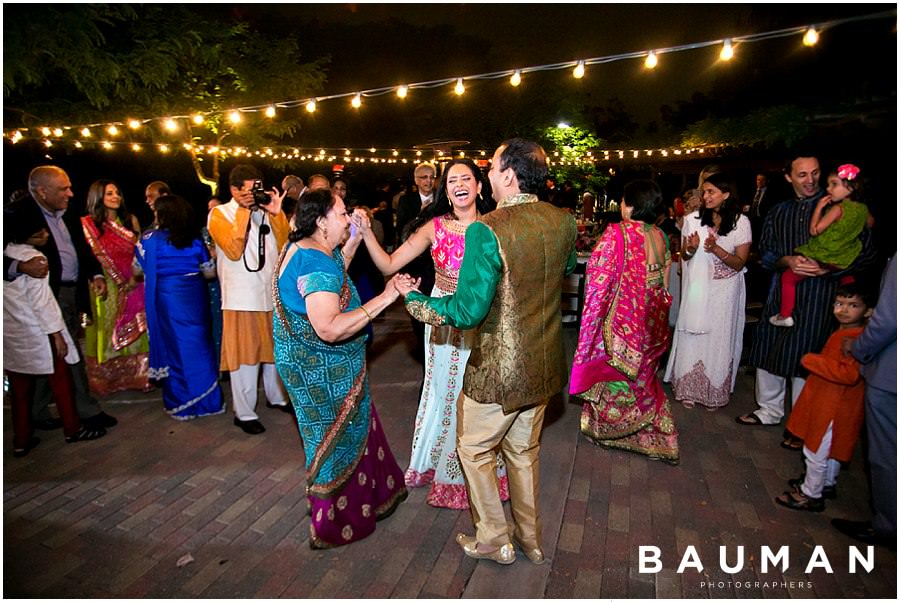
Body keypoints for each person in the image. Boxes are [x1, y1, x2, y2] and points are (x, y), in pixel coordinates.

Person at [398, 138, 577, 566]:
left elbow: (465, 310)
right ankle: (530, 541)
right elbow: (565, 269)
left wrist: (416, 302)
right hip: (544, 365)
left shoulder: (487, 229)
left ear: (509, 175)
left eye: (492, 167)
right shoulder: (562, 221)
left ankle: (494, 539)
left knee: (474, 450)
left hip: (498, 369)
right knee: (523, 452)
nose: (489, 174)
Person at [358, 158, 506, 510]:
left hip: (482, 317)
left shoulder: (494, 227)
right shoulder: (434, 227)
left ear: (479, 185)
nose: (459, 184)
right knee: (443, 389)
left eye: (466, 178)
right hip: (440, 316)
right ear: (445, 189)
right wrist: (365, 233)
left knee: (478, 393)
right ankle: (440, 465)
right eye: (452, 179)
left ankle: (479, 466)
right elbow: (389, 265)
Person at [272, 187, 409, 548]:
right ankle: (335, 522)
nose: (348, 218)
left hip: (315, 363)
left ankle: (372, 498)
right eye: (342, 214)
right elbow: (330, 327)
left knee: (353, 426)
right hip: (319, 369)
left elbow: (335, 272)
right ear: (320, 221)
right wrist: (387, 296)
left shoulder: (306, 247)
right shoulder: (314, 262)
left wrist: (353, 240)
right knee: (335, 438)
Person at [738, 154, 877, 427]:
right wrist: (787, 260)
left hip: (822, 296)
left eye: (815, 173)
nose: (811, 180)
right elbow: (765, 252)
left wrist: (829, 268)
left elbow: (868, 254)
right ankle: (768, 411)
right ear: (789, 177)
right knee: (769, 347)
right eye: (802, 175)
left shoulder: (844, 209)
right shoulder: (779, 211)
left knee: (809, 353)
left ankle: (803, 422)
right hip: (782, 291)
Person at [570, 180, 679, 463]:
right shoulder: (660, 235)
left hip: (625, 317)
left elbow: (598, 279)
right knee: (645, 373)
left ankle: (612, 430)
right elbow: (664, 284)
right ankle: (655, 435)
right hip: (653, 316)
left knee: (617, 373)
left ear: (630, 205)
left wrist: (596, 316)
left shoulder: (617, 234)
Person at [5, 167, 117, 432]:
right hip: (39, 296)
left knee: (54, 352)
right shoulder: (15, 213)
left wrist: (95, 274)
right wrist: (20, 267)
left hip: (71, 291)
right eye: (63, 188)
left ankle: (37, 411)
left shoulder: (67, 212)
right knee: (67, 350)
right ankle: (84, 413)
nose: (70, 193)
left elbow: (80, 248)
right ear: (42, 191)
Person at [207, 164, 291, 435]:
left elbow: (288, 243)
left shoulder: (266, 212)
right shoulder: (219, 214)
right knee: (245, 357)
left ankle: (276, 396)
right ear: (234, 189)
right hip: (241, 297)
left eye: (259, 187)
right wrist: (244, 211)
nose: (256, 193)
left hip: (270, 293)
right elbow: (232, 250)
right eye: (250, 188)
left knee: (274, 352)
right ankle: (243, 413)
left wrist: (276, 213)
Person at [774, 283, 872, 512]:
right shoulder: (851, 335)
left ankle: (810, 493)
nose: (844, 310)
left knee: (815, 450)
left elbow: (848, 374)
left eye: (853, 305)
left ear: (868, 311)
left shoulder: (854, 340)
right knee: (831, 448)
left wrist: (811, 360)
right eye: (839, 304)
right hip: (837, 403)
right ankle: (826, 483)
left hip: (833, 404)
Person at [664, 173, 751, 409]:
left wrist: (716, 250)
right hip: (699, 287)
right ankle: (688, 389)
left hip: (725, 289)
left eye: (711, 191)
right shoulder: (693, 219)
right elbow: (685, 257)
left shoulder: (741, 223)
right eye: (704, 192)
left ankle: (714, 391)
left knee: (719, 338)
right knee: (694, 335)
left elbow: (739, 263)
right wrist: (690, 249)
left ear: (726, 194)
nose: (706, 196)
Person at [136, 195, 225, 420]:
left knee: (174, 346)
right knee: (200, 344)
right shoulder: (194, 240)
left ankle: (182, 403)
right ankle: (209, 401)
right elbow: (209, 272)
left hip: (167, 297)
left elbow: (136, 270)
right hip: (194, 297)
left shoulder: (149, 239)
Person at [832, 254, 896, 547]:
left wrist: (859, 347)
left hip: (891, 375)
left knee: (888, 456)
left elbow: (887, 320)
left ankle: (888, 525)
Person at [769, 164, 871, 327]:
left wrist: (819, 208)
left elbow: (815, 230)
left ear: (852, 188)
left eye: (834, 184)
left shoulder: (838, 208)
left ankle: (785, 315)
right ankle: (852, 310)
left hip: (824, 255)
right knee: (846, 279)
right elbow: (870, 224)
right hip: (845, 258)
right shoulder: (864, 209)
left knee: (788, 278)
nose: (829, 189)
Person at [80, 179, 151, 395]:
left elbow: (140, 252)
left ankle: (139, 377)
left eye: (117, 192)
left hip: (134, 281)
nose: (115, 197)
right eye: (109, 193)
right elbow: (87, 256)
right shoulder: (89, 225)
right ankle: (109, 381)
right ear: (97, 197)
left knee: (138, 329)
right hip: (107, 284)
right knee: (107, 326)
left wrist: (135, 279)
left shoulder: (129, 221)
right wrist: (99, 277)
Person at [394, 163, 437, 367]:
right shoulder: (407, 201)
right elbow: (401, 230)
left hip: (436, 264)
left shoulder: (442, 199)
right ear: (416, 180)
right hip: (414, 265)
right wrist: (421, 216)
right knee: (417, 311)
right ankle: (424, 355)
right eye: (423, 177)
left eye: (431, 177)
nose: (428, 181)